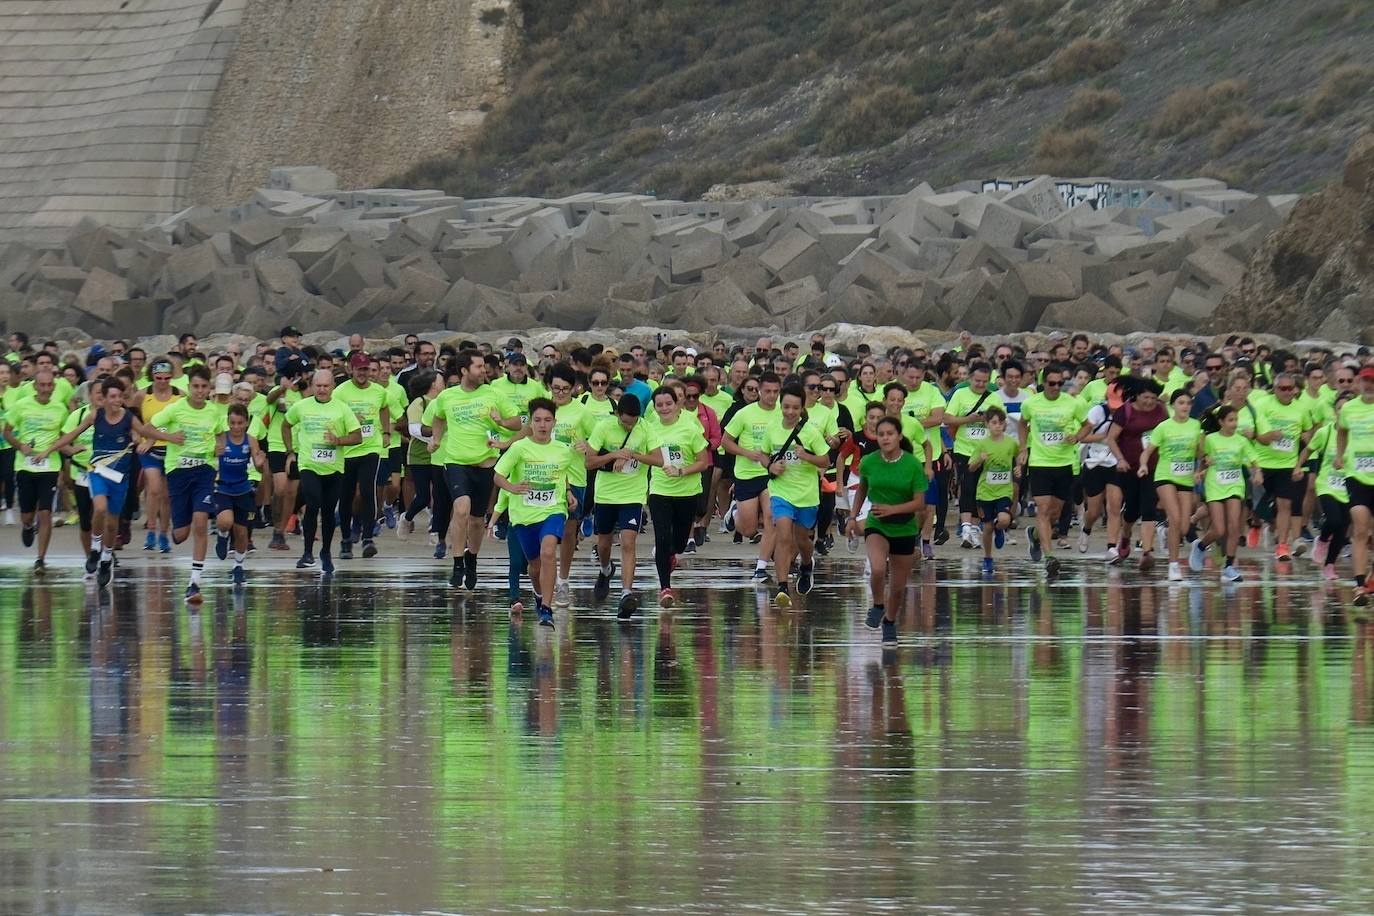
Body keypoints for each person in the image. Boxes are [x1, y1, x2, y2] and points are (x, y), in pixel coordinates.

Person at [47, 377, 169, 587]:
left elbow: (145, 431)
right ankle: (96, 547)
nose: (117, 400)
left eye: (120, 396)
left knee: (112, 525)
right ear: (103, 399)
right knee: (100, 508)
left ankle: (106, 558)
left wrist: (166, 437)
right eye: (112, 396)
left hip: (119, 478)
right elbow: (72, 434)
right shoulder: (96, 415)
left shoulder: (128, 418)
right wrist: (49, 450)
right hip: (97, 472)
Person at [424, 350, 521, 589]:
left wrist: (500, 422)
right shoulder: (447, 396)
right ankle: (457, 563)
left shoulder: (493, 394)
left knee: (477, 520)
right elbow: (438, 417)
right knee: (461, 509)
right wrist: (436, 439)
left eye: (483, 366)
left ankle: (472, 560)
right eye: (478, 366)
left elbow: (517, 422)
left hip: (485, 464)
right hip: (456, 462)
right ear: (464, 370)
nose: (483, 370)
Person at [493, 398, 579, 627]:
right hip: (524, 515)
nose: (542, 425)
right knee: (534, 565)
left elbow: (563, 475)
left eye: (547, 420)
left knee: (548, 551)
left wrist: (569, 493)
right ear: (530, 423)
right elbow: (498, 476)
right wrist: (512, 487)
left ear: (554, 423)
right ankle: (539, 595)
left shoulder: (563, 450)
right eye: (538, 420)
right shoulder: (519, 448)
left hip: (553, 510)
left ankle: (547, 609)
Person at [847, 416, 927, 647]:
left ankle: (889, 622)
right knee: (878, 568)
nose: (885, 438)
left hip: (904, 527)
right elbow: (862, 489)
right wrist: (852, 517)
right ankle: (877, 605)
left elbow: (920, 503)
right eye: (881, 434)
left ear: (899, 436)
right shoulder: (869, 462)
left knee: (898, 587)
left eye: (890, 434)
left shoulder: (912, 464)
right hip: (877, 524)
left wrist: (894, 509)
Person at [156, 367, 228, 602]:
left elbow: (221, 434)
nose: (199, 391)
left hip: (204, 470)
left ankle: (195, 582)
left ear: (209, 389)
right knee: (181, 534)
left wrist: (220, 446)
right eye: (195, 386)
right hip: (177, 471)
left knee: (200, 520)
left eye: (204, 387)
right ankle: (175, 528)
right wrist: (169, 437)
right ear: (189, 388)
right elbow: (148, 427)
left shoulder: (214, 411)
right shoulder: (176, 408)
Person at [283, 369, 364, 577]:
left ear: (333, 387)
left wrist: (338, 440)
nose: (321, 390)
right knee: (313, 503)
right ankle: (307, 553)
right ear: (312, 386)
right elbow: (286, 424)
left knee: (328, 511)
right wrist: (290, 451)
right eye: (318, 386)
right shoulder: (301, 406)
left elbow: (357, 436)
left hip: (334, 468)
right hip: (309, 465)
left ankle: (325, 552)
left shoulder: (342, 409)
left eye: (326, 386)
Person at [637, 386, 712, 609]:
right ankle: (665, 588)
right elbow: (643, 453)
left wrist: (681, 471)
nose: (664, 408)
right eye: (659, 405)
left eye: (668, 403)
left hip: (687, 492)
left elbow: (703, 462)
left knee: (678, 543)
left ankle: (671, 554)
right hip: (659, 490)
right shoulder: (649, 427)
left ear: (677, 403)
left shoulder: (690, 427)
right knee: (661, 538)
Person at [763, 383, 830, 608]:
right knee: (783, 534)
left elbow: (826, 460)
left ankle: (807, 564)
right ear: (780, 406)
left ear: (802, 408)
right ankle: (782, 587)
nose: (790, 412)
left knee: (802, 540)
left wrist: (807, 456)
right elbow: (763, 454)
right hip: (781, 491)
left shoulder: (810, 432)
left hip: (807, 495)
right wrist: (770, 467)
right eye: (786, 407)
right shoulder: (772, 428)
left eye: (795, 408)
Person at [1017, 364, 1085, 578]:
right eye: (1052, 383)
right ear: (1043, 383)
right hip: (1040, 463)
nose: (1056, 387)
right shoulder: (1031, 403)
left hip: (1065, 464)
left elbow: (1087, 424)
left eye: (1060, 383)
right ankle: (1050, 557)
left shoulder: (1072, 403)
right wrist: (1023, 448)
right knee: (1044, 509)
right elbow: (1022, 424)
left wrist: (1078, 436)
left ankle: (1035, 535)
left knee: (1054, 514)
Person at [586, 395, 651, 618]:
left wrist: (633, 455)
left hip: (633, 495)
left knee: (628, 541)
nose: (629, 427)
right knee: (603, 544)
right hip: (605, 495)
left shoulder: (646, 428)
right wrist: (614, 455)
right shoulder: (603, 427)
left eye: (633, 422)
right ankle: (606, 569)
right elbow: (589, 462)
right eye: (625, 423)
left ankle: (626, 593)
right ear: (617, 415)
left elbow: (659, 460)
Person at [3, 370, 69, 570]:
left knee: (46, 513)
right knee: (27, 515)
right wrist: (20, 446)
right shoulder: (21, 405)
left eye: (49, 385)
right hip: (25, 466)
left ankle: (41, 559)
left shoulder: (60, 409)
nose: (46, 389)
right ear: (35, 386)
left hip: (50, 467)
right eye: (42, 385)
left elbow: (65, 436)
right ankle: (27, 526)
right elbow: (7, 432)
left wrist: (68, 453)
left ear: (54, 387)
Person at [723, 372, 782, 581]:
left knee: (771, 519)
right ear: (759, 391)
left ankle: (761, 567)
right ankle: (734, 513)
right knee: (748, 529)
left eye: (776, 392)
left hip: (771, 474)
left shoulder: (783, 413)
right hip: (747, 474)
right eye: (767, 391)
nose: (772, 396)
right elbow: (725, 442)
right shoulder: (744, 413)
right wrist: (746, 453)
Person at [1192, 405, 1261, 582]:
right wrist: (1200, 469)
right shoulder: (1211, 439)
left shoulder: (1241, 440)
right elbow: (1202, 457)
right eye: (1230, 420)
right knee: (1219, 529)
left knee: (1234, 526)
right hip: (1215, 485)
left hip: (1235, 486)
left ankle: (1229, 566)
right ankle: (1200, 546)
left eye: (1236, 420)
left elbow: (1254, 459)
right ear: (1221, 422)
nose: (1234, 423)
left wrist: (1258, 472)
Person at [333, 352, 391, 560]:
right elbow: (333, 415)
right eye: (359, 369)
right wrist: (349, 419)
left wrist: (386, 432)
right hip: (347, 450)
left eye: (366, 369)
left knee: (368, 491)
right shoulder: (340, 392)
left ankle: (367, 538)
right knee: (347, 495)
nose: (362, 373)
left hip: (370, 448)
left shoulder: (378, 391)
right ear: (351, 369)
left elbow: (384, 408)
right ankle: (346, 540)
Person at [1140, 390, 1203, 581]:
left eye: (1188, 403)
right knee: (1175, 518)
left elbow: (1200, 453)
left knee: (1183, 527)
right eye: (1181, 402)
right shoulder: (1164, 427)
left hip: (1186, 478)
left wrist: (1200, 469)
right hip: (1165, 475)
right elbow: (1147, 451)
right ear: (1173, 405)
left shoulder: (1196, 426)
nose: (1185, 406)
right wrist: (1143, 465)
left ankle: (1165, 531)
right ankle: (1173, 565)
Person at [1106, 377, 1166, 569]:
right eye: (1146, 398)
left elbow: (1167, 434)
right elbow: (1111, 438)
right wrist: (1120, 459)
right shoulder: (1126, 411)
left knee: (1149, 508)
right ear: (1137, 396)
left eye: (1153, 398)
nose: (1150, 402)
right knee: (1132, 509)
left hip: (1152, 467)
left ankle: (1146, 552)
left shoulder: (1161, 411)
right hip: (1128, 467)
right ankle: (1125, 535)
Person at [1253, 372, 1313, 561]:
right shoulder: (1263, 405)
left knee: (1285, 504)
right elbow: (1257, 434)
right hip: (1263, 463)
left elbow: (1308, 430)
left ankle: (1282, 546)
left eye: (1290, 388)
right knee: (1259, 507)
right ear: (1275, 389)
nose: (1287, 392)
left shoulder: (1301, 408)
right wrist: (1269, 436)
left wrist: (1307, 437)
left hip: (1287, 464)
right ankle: (1264, 525)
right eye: (1282, 388)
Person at [945, 361, 1004, 549]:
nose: (980, 384)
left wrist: (988, 421)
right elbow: (947, 418)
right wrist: (968, 419)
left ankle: (976, 528)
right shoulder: (960, 394)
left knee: (982, 490)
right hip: (964, 449)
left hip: (987, 451)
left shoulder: (994, 397)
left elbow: (1001, 423)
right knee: (967, 487)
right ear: (970, 378)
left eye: (984, 381)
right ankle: (965, 527)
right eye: (977, 381)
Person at [1296, 391, 1352, 581]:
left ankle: (1329, 566)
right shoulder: (1325, 432)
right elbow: (1308, 449)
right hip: (1327, 483)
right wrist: (1298, 466)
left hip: (1349, 484)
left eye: (1347, 408)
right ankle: (1321, 540)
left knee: (1343, 528)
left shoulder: (1359, 435)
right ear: (1335, 412)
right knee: (1334, 521)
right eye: (1339, 408)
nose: (1343, 412)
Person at [212, 403, 266, 587]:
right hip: (223, 488)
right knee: (225, 521)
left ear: (247, 422)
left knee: (242, 533)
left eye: (240, 423)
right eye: (232, 423)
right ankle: (222, 535)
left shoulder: (250, 440)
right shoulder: (221, 438)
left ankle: (238, 566)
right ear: (227, 422)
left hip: (243, 489)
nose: (236, 427)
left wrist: (260, 462)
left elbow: (258, 464)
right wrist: (213, 452)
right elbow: (208, 456)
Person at [133, 359, 181, 553]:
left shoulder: (179, 395)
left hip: (171, 449)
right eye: (158, 378)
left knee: (167, 495)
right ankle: (151, 530)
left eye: (166, 378)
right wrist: (140, 440)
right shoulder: (142, 395)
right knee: (153, 489)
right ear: (152, 376)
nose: (162, 382)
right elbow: (133, 422)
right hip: (149, 450)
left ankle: (164, 533)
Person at [400, 370, 448, 558]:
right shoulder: (419, 403)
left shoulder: (444, 401)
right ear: (434, 384)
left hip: (439, 456)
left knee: (440, 496)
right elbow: (414, 429)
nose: (444, 383)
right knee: (423, 497)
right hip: (419, 456)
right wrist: (436, 437)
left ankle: (435, 533)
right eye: (441, 380)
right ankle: (407, 517)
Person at [1336, 366, 1374, 605]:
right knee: (1360, 530)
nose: (1369, 385)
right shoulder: (1349, 408)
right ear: (1359, 382)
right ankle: (1359, 586)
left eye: (1373, 382)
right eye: (1366, 381)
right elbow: (1342, 432)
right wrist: (1340, 455)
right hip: (1356, 475)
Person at [968, 406, 1017, 575]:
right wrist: (979, 460)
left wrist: (1018, 467)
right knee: (987, 527)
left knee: (1004, 520)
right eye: (994, 423)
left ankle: (999, 528)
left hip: (1004, 491)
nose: (997, 426)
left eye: (1000, 423)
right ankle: (988, 558)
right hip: (985, 492)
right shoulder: (982, 444)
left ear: (1004, 424)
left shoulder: (1010, 442)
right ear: (987, 424)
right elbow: (971, 467)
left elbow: (1020, 456)